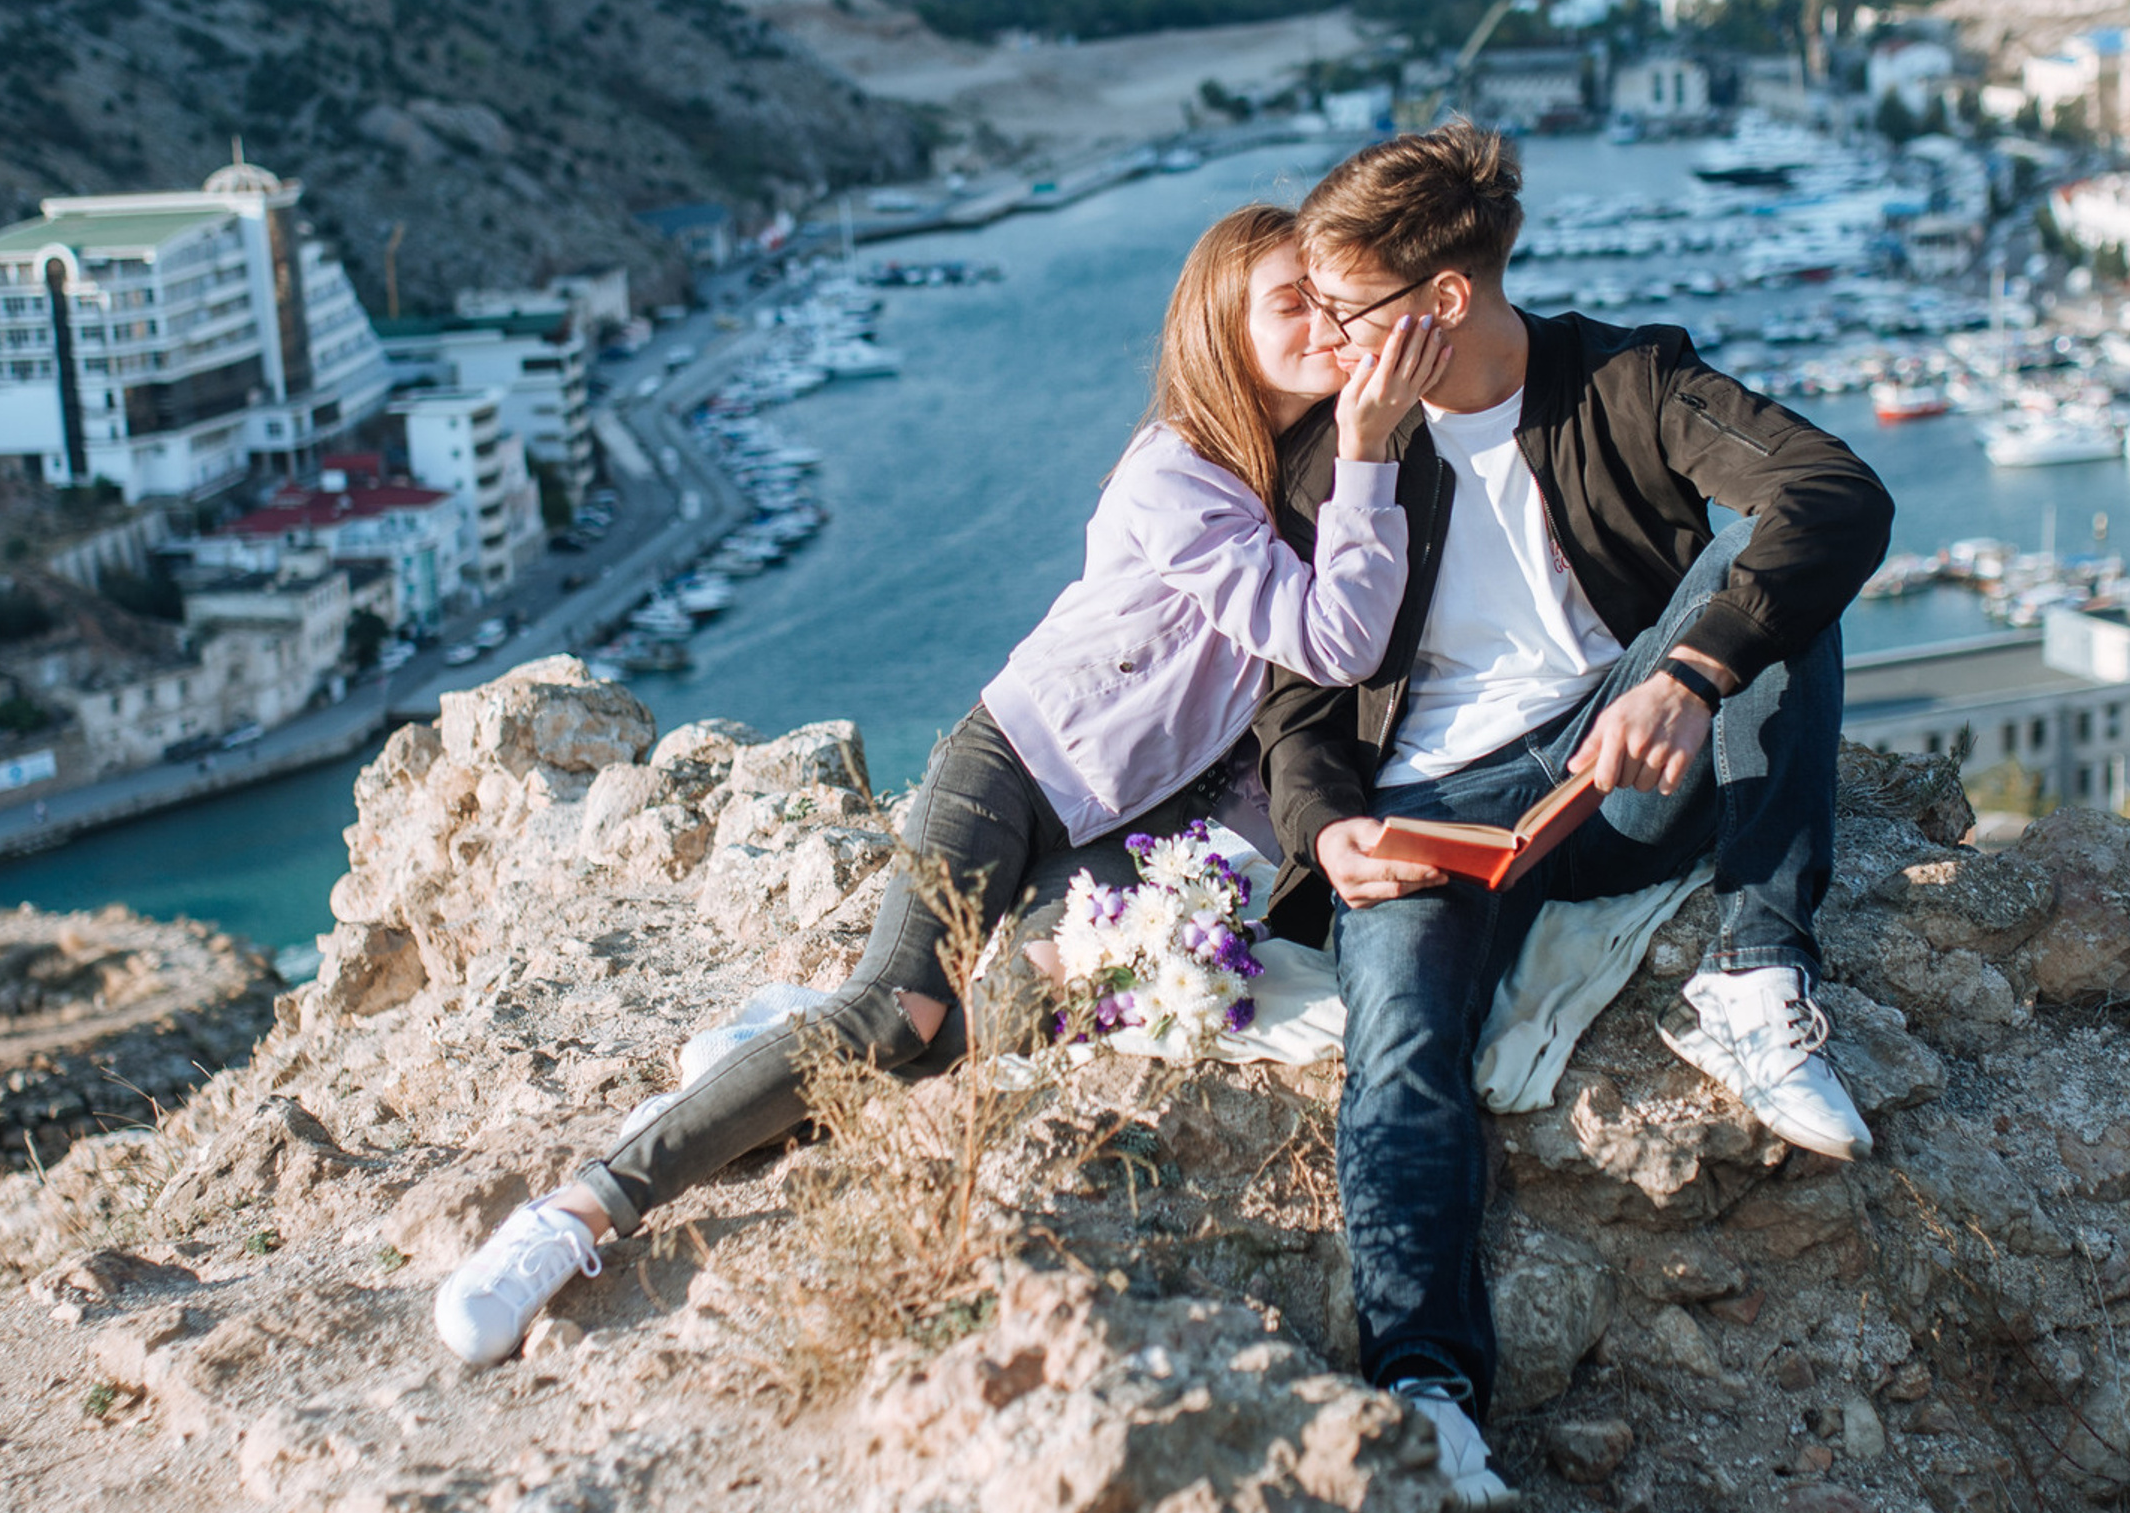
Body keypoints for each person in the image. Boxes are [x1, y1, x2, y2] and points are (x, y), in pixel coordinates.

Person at [434, 203, 1451, 1366]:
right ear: (1221, 323)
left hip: (1120, 823)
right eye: (1291, 304)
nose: (1326, 323)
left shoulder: (1299, 476)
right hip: (1013, 763)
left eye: (1334, 304)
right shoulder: (1182, 471)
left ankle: (777, 1048)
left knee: (991, 1027)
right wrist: (1371, 440)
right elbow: (1336, 642)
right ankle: (577, 1211)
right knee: (895, 1015)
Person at [1254, 123, 1893, 1510]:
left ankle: (1755, 971)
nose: (1325, 341)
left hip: (1617, 768)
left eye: (1347, 310)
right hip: (1425, 818)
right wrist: (1326, 833)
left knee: (1780, 584)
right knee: (1402, 1047)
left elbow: (1836, 494)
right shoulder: (1332, 460)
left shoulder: (1626, 378)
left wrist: (1689, 669)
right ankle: (1428, 1391)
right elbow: (1298, 707)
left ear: (1442, 303)